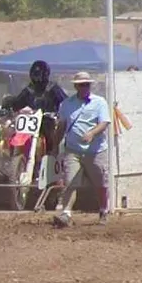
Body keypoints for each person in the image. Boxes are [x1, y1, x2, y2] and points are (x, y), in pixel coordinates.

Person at [53, 71, 112, 228]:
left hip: (96, 150)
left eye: (87, 84)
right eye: (81, 84)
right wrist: (55, 145)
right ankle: (66, 213)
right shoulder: (66, 104)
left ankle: (103, 210)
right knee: (70, 182)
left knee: (100, 183)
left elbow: (104, 122)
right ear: (76, 86)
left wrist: (92, 133)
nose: (84, 87)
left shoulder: (100, 102)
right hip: (73, 149)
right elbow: (62, 126)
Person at [0, 59, 67, 179]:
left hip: (47, 121)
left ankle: (54, 167)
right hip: (31, 122)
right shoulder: (29, 90)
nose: (37, 78)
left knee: (52, 140)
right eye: (35, 74)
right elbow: (17, 103)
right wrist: (8, 106)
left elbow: (66, 101)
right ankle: (15, 163)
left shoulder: (53, 88)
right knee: (13, 134)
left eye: (39, 74)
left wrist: (62, 112)